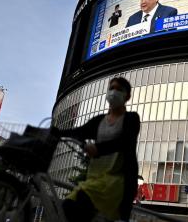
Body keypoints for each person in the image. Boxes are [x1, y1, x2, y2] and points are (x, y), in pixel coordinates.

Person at [54, 77, 140, 222]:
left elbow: (125, 142)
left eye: (119, 89)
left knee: (76, 206)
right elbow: (79, 131)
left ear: (127, 96)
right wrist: (55, 132)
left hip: (116, 182)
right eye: (111, 88)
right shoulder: (99, 121)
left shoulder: (131, 118)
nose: (113, 92)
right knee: (69, 207)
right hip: (95, 180)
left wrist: (98, 148)